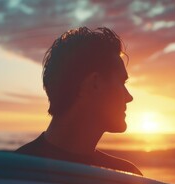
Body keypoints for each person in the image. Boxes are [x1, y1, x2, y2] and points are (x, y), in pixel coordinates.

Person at [15, 27, 142, 176]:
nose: (129, 97)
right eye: (122, 83)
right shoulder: (13, 173)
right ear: (95, 83)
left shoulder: (127, 176)